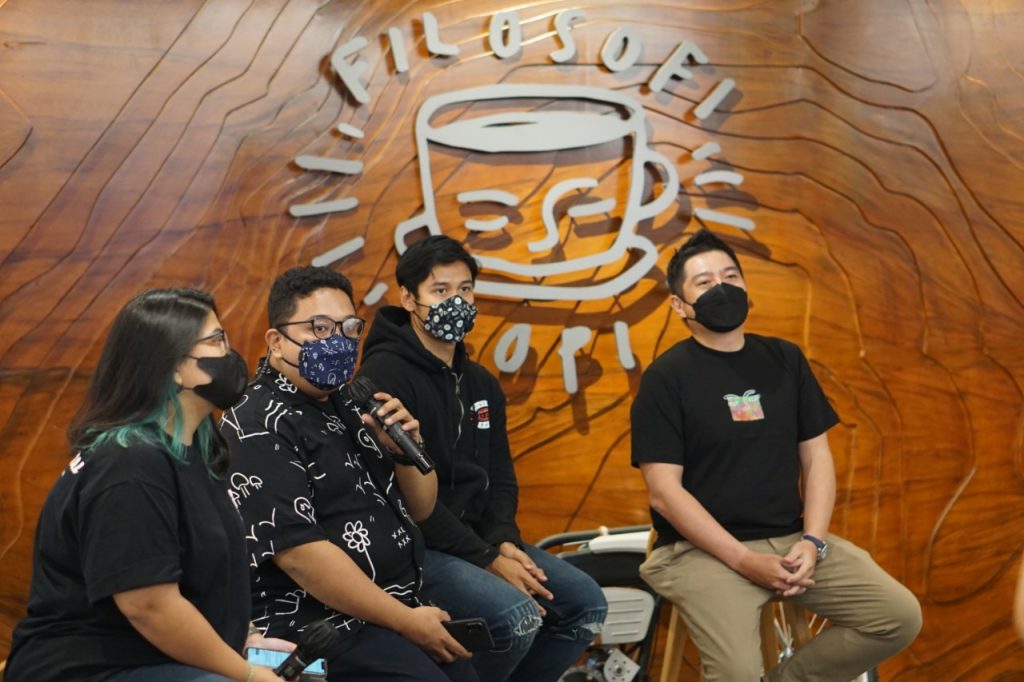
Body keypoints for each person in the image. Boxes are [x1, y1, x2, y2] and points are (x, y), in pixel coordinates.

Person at [631, 229, 923, 681]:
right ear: (679, 305)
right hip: (701, 552)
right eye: (704, 283)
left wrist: (813, 541)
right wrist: (743, 560)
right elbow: (664, 493)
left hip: (791, 541)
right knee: (738, 673)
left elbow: (817, 458)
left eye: (731, 276)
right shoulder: (665, 378)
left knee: (898, 616)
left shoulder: (786, 359)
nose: (722, 288)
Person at [358, 235, 608, 682]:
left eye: (465, 289)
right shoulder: (383, 375)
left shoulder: (481, 382)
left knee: (585, 605)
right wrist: (487, 557)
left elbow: (500, 476)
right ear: (408, 298)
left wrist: (504, 540)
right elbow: (403, 501)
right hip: (416, 548)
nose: (456, 301)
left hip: (478, 541)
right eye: (440, 290)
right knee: (516, 617)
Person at [5, 288, 283, 682]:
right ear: (173, 367)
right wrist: (249, 674)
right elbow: (148, 605)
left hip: (162, 659)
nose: (230, 354)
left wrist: (250, 642)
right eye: (216, 340)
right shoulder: (128, 464)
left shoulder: (198, 448)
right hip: (92, 668)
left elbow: (213, 577)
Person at [219, 266, 477, 682]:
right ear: (276, 341)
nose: (337, 341)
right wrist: (406, 622)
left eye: (349, 328)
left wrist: (404, 452)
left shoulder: (352, 400)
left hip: (395, 600)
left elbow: (422, 508)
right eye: (319, 328)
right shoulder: (255, 421)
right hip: (318, 625)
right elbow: (300, 555)